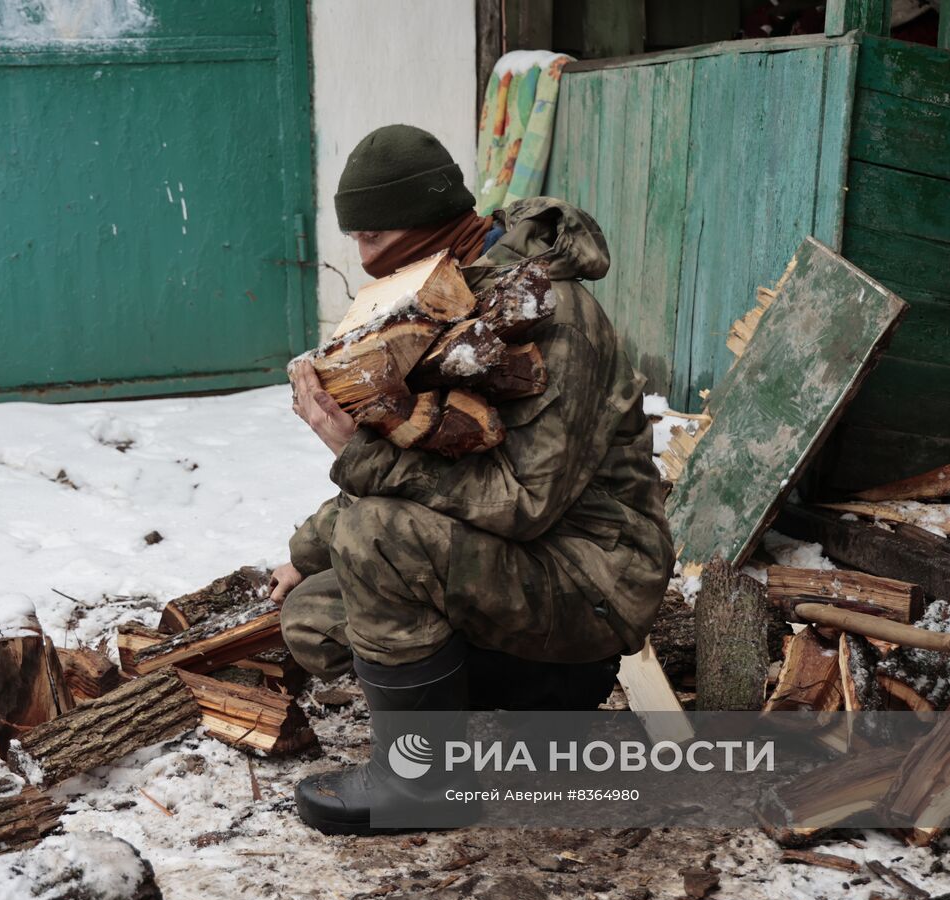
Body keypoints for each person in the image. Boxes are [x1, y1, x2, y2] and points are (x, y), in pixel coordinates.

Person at [272, 124, 673, 835]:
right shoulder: (443, 296)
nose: (364, 262)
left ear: (428, 220)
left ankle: (425, 782)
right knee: (314, 616)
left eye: (372, 237)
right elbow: (436, 460)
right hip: (530, 565)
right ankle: (519, 713)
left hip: (594, 576)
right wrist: (307, 550)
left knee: (378, 536)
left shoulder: (547, 311)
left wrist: (355, 454)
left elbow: (522, 501)